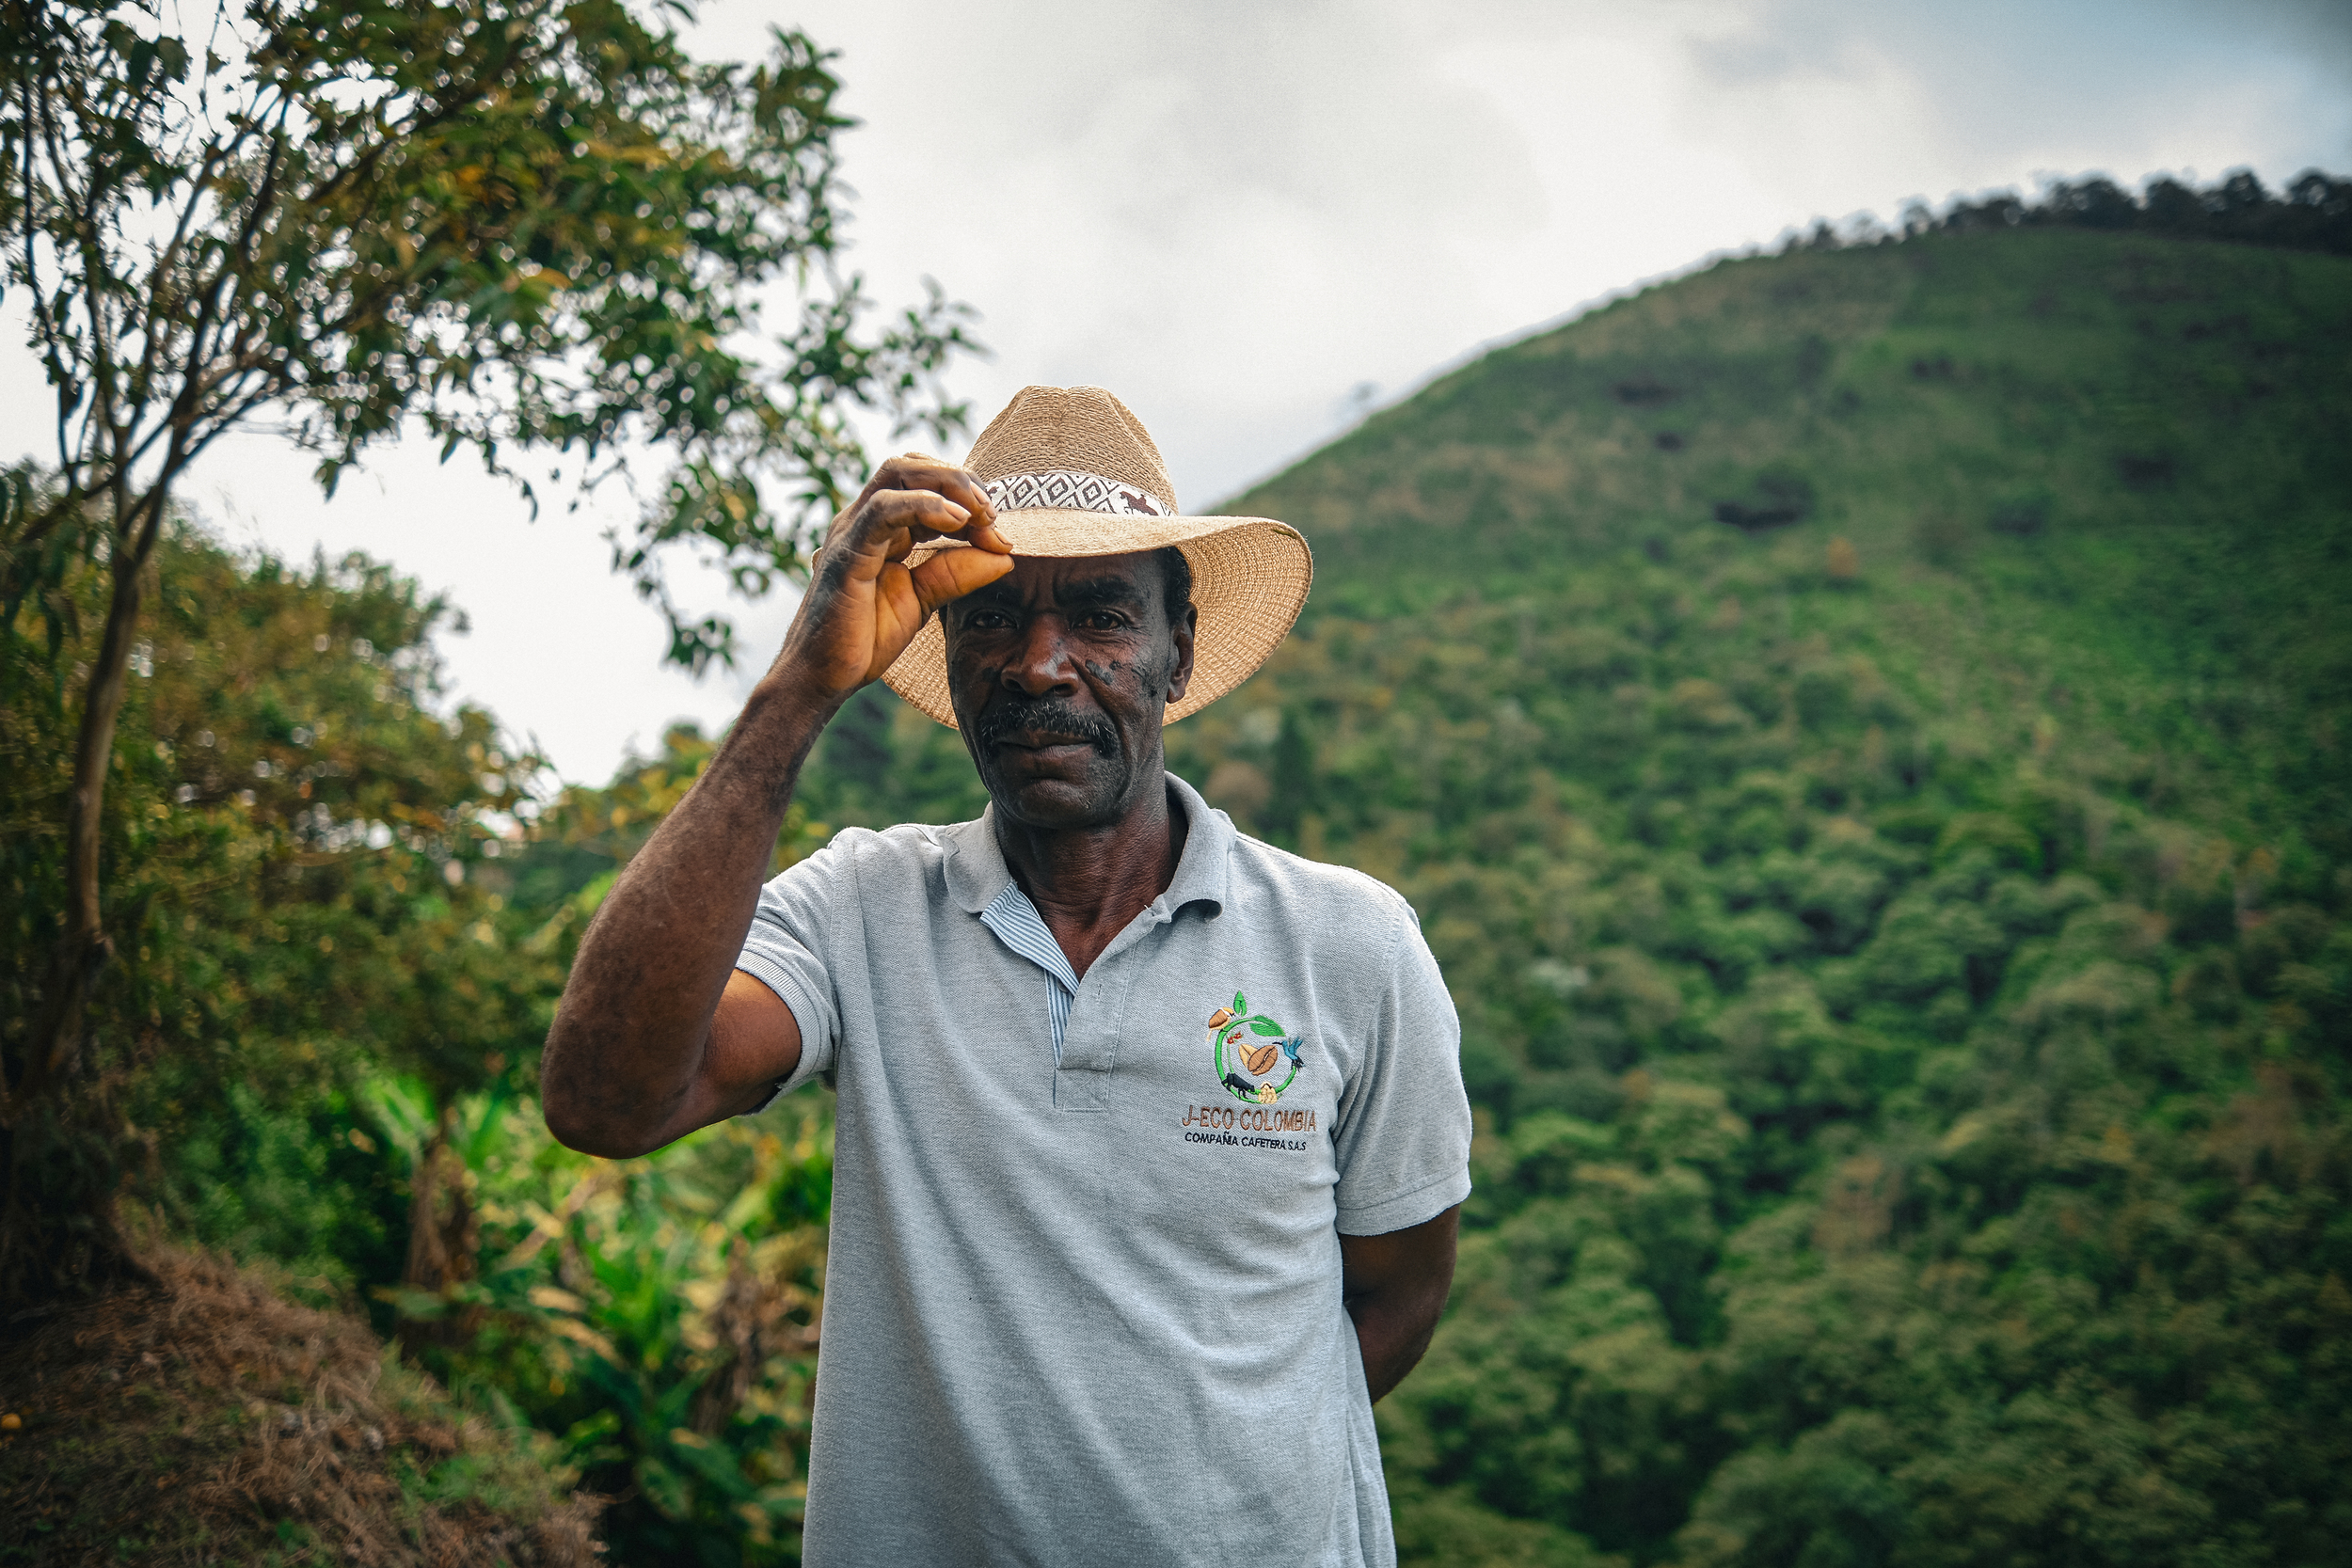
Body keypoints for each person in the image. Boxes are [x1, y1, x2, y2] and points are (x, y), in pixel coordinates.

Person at [542, 385, 1472, 1566]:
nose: (1039, 666)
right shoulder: (862, 910)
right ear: (947, 652)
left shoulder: (1350, 944)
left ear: (1178, 650)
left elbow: (1393, 1298)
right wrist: (796, 691)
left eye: (1100, 615)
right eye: (989, 618)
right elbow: (607, 1101)